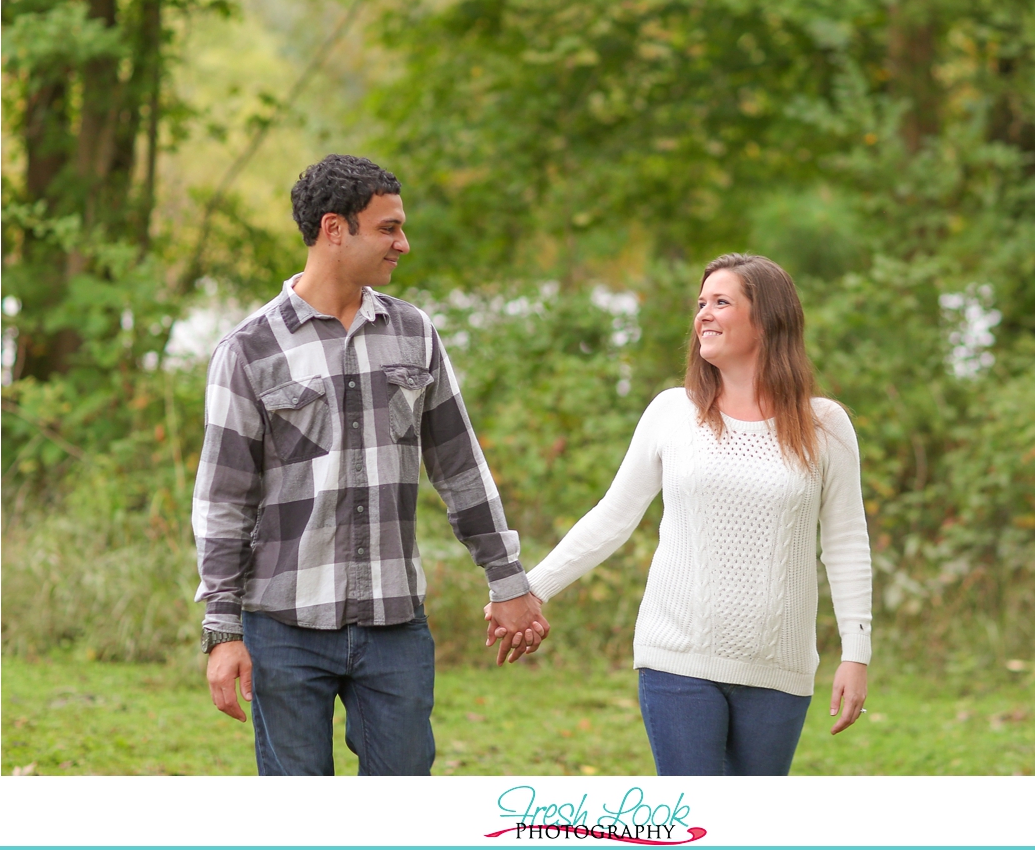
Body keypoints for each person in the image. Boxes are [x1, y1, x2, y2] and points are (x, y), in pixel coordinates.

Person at [192, 154, 548, 776]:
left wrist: (508, 577)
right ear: (335, 229)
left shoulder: (414, 333)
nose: (403, 244)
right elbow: (222, 502)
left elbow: (460, 466)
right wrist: (223, 632)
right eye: (388, 229)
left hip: (394, 622)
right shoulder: (248, 350)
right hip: (283, 626)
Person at [490, 253, 872, 776]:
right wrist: (529, 590)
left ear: (768, 319)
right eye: (700, 304)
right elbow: (613, 518)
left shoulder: (824, 425)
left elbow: (847, 544)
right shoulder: (673, 412)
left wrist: (857, 651)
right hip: (676, 657)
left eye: (721, 302)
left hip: (778, 667)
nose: (703, 316)